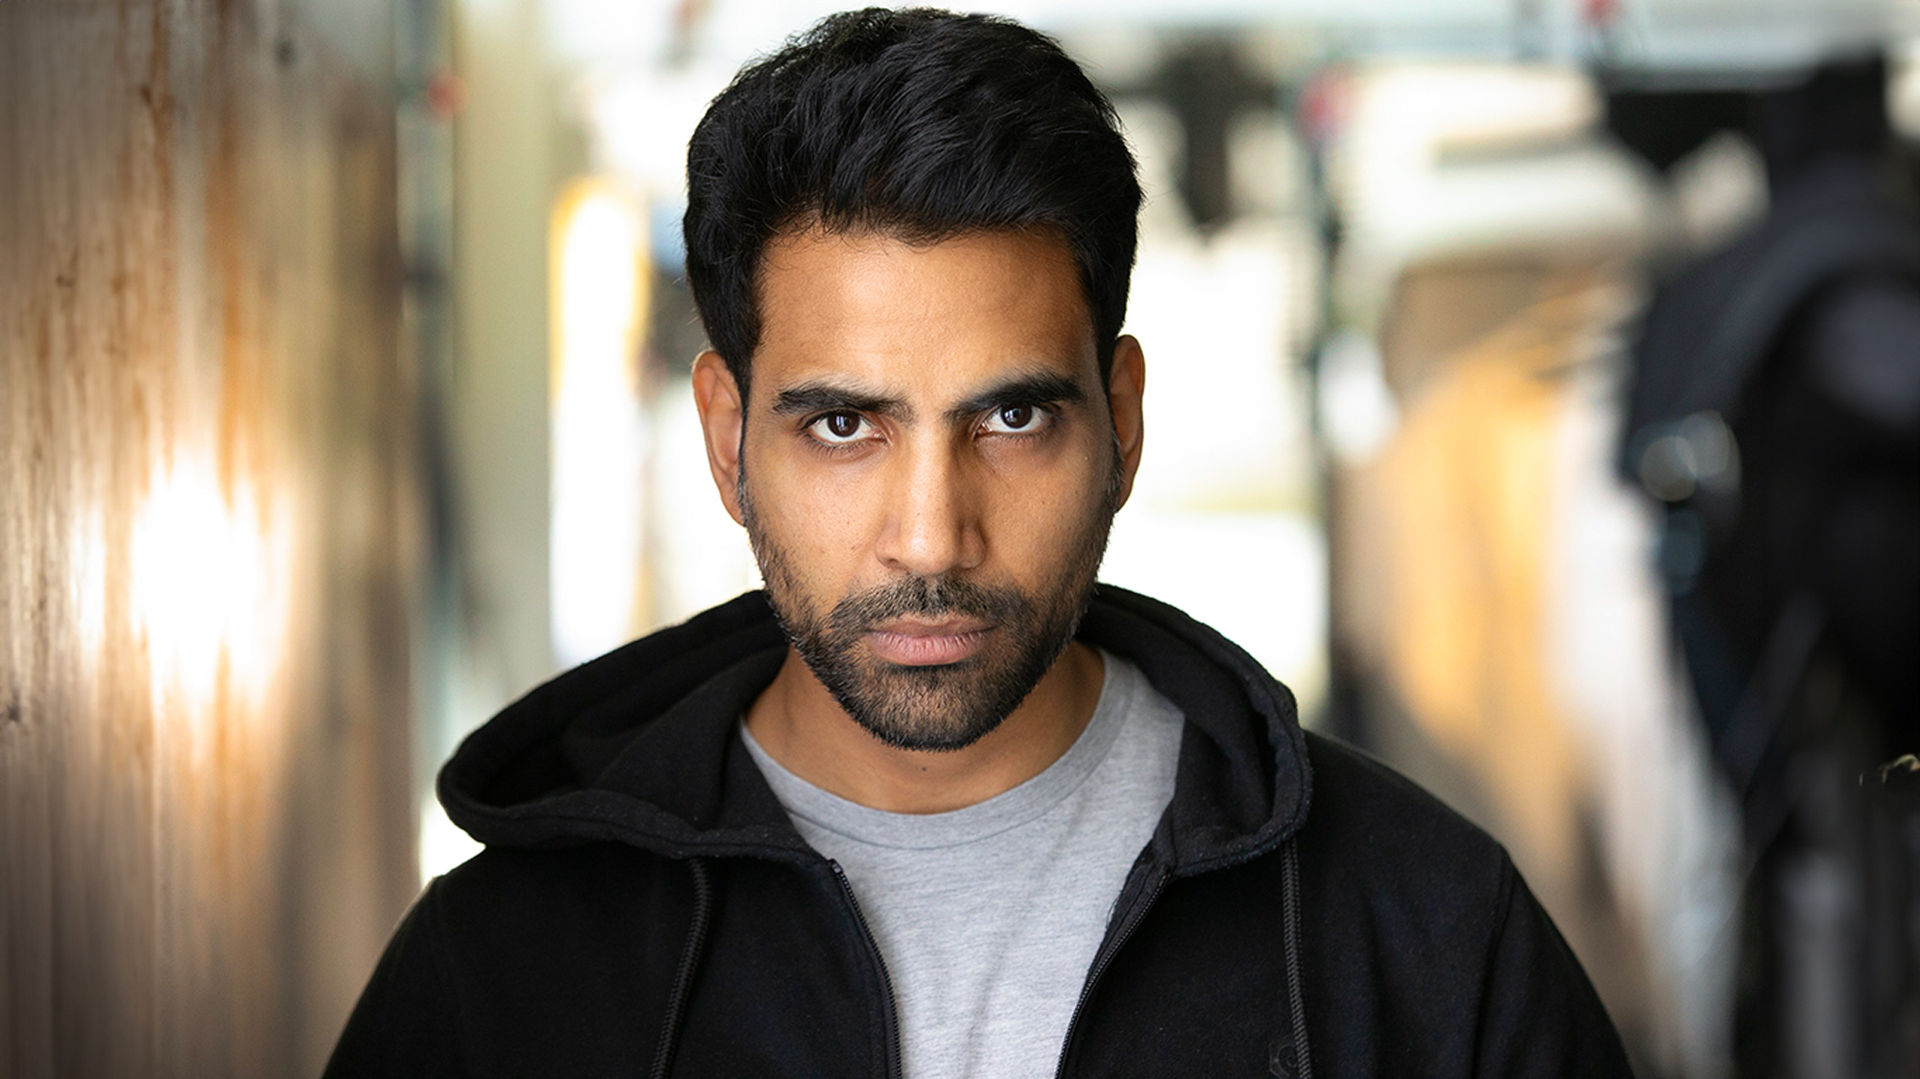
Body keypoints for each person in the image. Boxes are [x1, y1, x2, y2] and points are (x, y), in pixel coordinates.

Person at [325, 9, 1633, 1077]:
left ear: (1120, 420)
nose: (929, 534)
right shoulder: (509, 979)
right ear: (728, 436)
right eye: (843, 424)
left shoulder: (1415, 937)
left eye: (1012, 415)